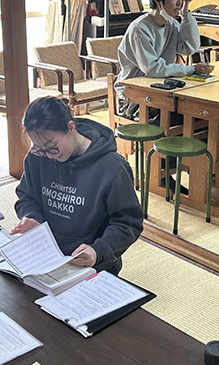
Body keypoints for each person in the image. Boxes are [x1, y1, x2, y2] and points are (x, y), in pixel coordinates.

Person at [12, 97, 143, 274]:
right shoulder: (37, 156)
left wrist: (98, 251)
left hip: (91, 265)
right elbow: (26, 196)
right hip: (46, 256)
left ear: (70, 127)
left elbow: (128, 223)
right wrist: (31, 217)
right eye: (40, 149)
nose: (49, 156)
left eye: (52, 147)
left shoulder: (112, 168)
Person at [115, 0, 213, 121]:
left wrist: (186, 14)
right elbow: (152, 68)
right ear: (158, 1)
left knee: (199, 111)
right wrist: (191, 69)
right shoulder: (139, 29)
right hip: (133, 96)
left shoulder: (171, 24)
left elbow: (190, 47)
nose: (179, 3)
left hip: (161, 89)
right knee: (188, 115)